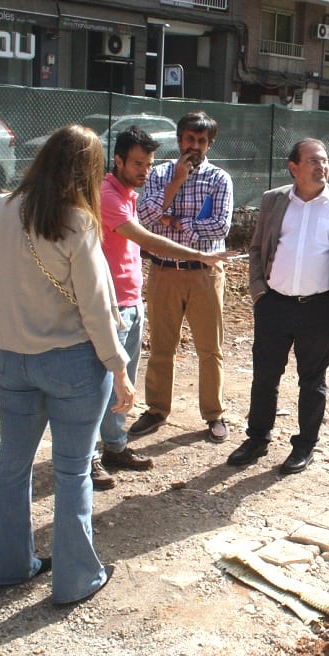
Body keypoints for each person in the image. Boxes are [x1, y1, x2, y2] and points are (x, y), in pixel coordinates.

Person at [0, 124, 131, 606]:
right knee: (71, 473)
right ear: (87, 170)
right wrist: (120, 368)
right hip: (73, 367)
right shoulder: (78, 221)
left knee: (11, 466)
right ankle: (75, 579)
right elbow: (97, 307)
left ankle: (7, 566)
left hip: (12, 360)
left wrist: (12, 321)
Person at [92, 126, 227, 490]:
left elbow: (219, 224)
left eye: (147, 164)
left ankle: (116, 446)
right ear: (117, 160)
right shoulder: (110, 195)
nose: (144, 170)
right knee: (103, 381)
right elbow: (149, 232)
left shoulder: (133, 192)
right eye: (137, 163)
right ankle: (91, 454)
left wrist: (174, 222)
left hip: (140, 294)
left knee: (131, 375)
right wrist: (192, 243)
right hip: (121, 296)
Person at [227, 138, 329, 475]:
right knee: (264, 377)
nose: (322, 167)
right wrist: (259, 292)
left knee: (313, 380)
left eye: (325, 161)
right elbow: (258, 247)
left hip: (320, 308)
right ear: (294, 167)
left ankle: (304, 445)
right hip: (274, 304)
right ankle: (257, 438)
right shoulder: (274, 201)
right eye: (313, 161)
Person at [130, 111, 234, 445]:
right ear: (179, 140)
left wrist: (176, 223)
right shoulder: (159, 174)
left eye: (202, 141)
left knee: (210, 349)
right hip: (164, 272)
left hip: (205, 275)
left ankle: (214, 414)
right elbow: (145, 219)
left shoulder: (219, 180)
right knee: (162, 346)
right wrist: (175, 184)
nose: (195, 146)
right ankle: (157, 410)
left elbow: (220, 226)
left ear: (209, 144)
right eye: (190, 139)